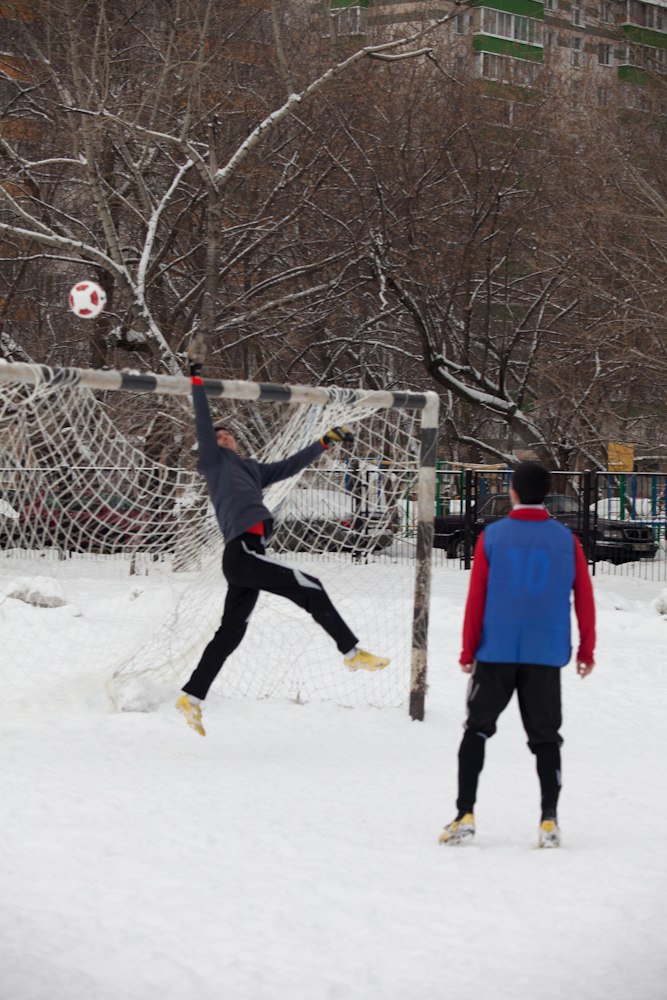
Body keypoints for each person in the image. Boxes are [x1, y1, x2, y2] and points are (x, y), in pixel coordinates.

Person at [175, 353, 390, 736]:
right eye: (218, 435)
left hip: (250, 555)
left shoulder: (252, 469)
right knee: (310, 586)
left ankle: (191, 697)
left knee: (231, 633)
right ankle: (352, 653)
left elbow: (291, 465)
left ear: (236, 441)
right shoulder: (211, 460)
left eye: (228, 434)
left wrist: (325, 442)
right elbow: (204, 424)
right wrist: (196, 381)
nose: (223, 437)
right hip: (240, 551)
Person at [439, 461, 595, 849]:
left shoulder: (492, 537)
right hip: (545, 652)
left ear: (512, 491)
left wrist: (467, 648)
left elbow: (477, 599)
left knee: (476, 729)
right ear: (546, 493)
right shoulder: (566, 540)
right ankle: (548, 820)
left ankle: (464, 814)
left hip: (497, 650)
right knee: (545, 739)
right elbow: (585, 599)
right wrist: (587, 648)